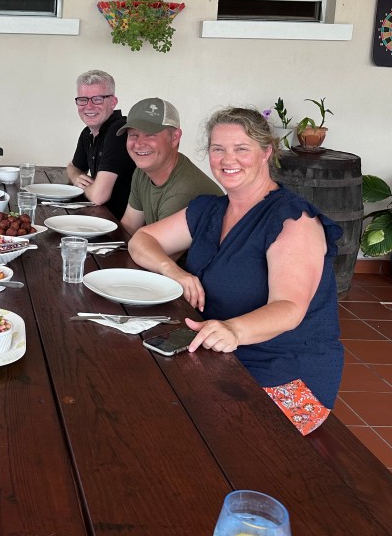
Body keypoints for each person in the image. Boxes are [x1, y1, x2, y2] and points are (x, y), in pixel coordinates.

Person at [128, 107, 343, 435]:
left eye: (241, 148)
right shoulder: (209, 209)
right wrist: (174, 271)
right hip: (217, 352)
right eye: (218, 149)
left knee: (179, 429)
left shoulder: (292, 219)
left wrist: (234, 331)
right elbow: (141, 240)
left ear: (266, 152)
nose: (228, 160)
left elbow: (289, 308)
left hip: (283, 370)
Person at [118, 97, 221, 236]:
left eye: (150, 135)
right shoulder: (142, 172)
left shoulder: (184, 191)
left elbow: (157, 246)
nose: (139, 144)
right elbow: (129, 227)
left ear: (174, 138)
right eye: (133, 135)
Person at [65, 69, 135, 219]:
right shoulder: (88, 133)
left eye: (97, 99)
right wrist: (77, 177)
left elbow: (98, 197)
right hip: (101, 217)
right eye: (83, 99)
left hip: (121, 226)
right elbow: (72, 167)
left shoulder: (119, 131)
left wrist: (83, 186)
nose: (89, 106)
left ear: (113, 102)